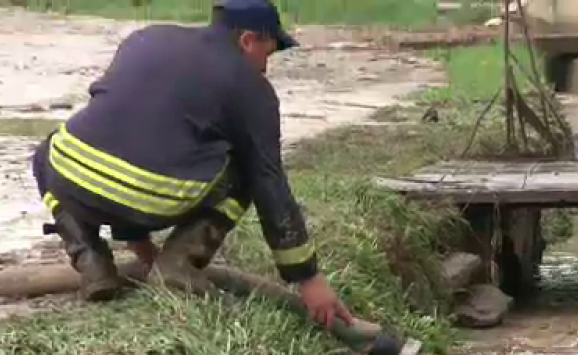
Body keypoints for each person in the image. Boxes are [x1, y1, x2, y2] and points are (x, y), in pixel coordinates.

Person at [30, 0, 353, 328]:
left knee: (53, 152)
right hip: (151, 199)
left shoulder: (146, 38)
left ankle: (91, 262)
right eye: (267, 55)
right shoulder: (253, 89)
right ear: (248, 40)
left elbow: (121, 134)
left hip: (70, 178)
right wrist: (308, 278)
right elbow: (269, 183)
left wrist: (136, 241)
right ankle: (177, 265)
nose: (265, 69)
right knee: (247, 169)